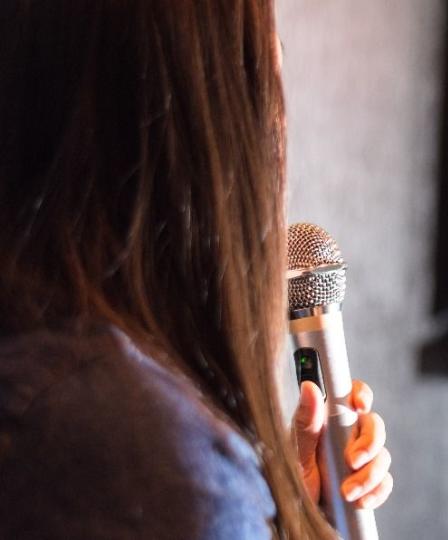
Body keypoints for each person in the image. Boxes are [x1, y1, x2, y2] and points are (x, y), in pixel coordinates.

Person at [0, 1, 392, 538]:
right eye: (264, 70)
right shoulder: (137, 453)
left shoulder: (60, 382)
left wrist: (284, 510)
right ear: (199, 120)